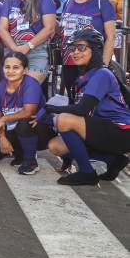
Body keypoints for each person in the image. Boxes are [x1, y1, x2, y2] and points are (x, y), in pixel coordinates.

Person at [46, 29, 130, 185]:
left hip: (121, 131)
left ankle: (87, 173)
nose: (75, 52)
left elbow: (82, 110)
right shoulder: (84, 76)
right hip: (103, 129)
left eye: (81, 47)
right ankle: (114, 160)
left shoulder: (101, 74)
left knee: (63, 119)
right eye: (73, 48)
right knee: (55, 146)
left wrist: (51, 109)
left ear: (96, 50)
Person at [59, 0, 117, 98]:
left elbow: (111, 37)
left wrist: (103, 67)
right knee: (73, 100)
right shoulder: (68, 2)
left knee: (90, 104)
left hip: (92, 64)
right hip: (69, 62)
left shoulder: (102, 3)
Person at [0, 51, 52, 175]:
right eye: (7, 67)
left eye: (16, 67)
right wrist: (2, 138)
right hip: (14, 127)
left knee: (25, 122)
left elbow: (29, 112)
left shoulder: (31, 84)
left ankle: (31, 161)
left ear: (25, 70)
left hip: (40, 129)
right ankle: (20, 155)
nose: (10, 71)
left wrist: (5, 119)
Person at [0, 0, 57, 84]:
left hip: (37, 50)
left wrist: (27, 47)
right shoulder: (9, 0)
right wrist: (15, 49)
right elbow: (2, 29)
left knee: (28, 87)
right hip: (13, 50)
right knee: (12, 90)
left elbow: (49, 28)